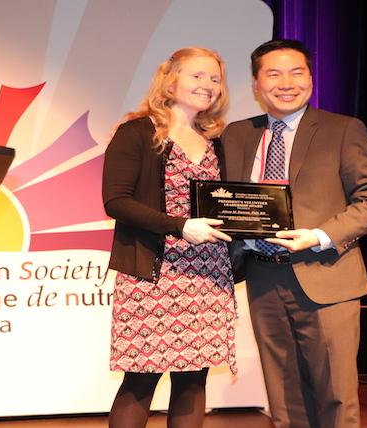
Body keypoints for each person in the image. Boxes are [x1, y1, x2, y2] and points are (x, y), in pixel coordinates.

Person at [221, 39, 367, 428]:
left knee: (335, 394)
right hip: (262, 276)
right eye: (273, 73)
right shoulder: (237, 134)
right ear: (256, 83)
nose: (286, 82)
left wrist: (318, 235)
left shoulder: (343, 129)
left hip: (326, 273)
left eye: (297, 72)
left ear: (311, 79)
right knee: (283, 396)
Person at [102, 47, 236, 428]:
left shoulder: (217, 139)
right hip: (152, 274)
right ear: (171, 79)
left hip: (210, 275)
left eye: (214, 79)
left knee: (194, 380)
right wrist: (180, 226)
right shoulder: (137, 132)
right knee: (141, 379)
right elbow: (116, 201)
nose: (208, 86)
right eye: (198, 76)